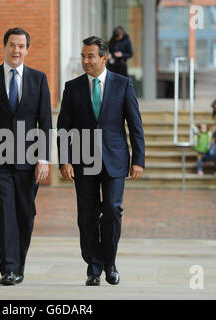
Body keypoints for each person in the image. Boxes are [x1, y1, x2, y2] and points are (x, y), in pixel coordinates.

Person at [0, 27, 52, 285]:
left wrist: (44, 158)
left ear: (27, 49)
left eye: (21, 46)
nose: (16, 50)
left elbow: (45, 122)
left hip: (28, 159)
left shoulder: (39, 79)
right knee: (5, 209)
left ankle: (18, 265)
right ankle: (9, 269)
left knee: (25, 213)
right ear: (4, 47)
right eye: (12, 45)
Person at [57, 36, 145, 286]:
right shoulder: (72, 87)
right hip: (83, 158)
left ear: (104, 58)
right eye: (83, 56)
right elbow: (63, 127)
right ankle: (93, 268)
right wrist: (65, 160)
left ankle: (110, 263)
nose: (85, 61)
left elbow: (135, 124)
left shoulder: (123, 84)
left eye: (90, 56)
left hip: (115, 158)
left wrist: (138, 159)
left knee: (112, 210)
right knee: (86, 215)